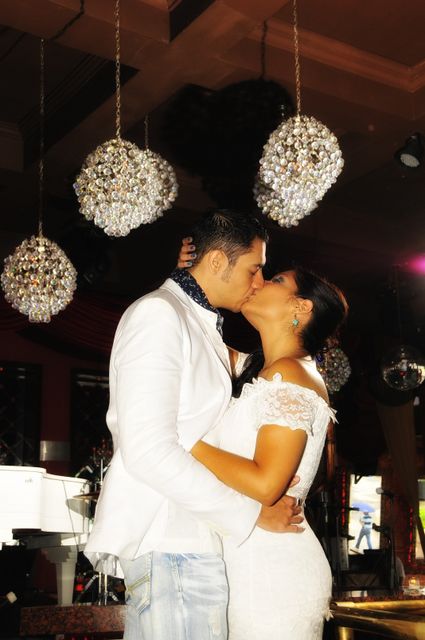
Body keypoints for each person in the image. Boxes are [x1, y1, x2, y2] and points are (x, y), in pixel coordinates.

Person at [84, 209, 303, 640]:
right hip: (172, 546)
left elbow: (249, 373)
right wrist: (250, 512)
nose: (259, 282)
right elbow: (148, 450)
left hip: (188, 547)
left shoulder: (197, 321)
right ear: (218, 261)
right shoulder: (159, 314)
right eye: (254, 269)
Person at [179, 242, 348, 639]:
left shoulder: (292, 374)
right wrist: (190, 278)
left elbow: (267, 484)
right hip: (246, 562)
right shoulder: (259, 369)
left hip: (271, 574)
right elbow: (184, 335)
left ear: (301, 307)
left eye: (276, 280)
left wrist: (185, 444)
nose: (258, 282)